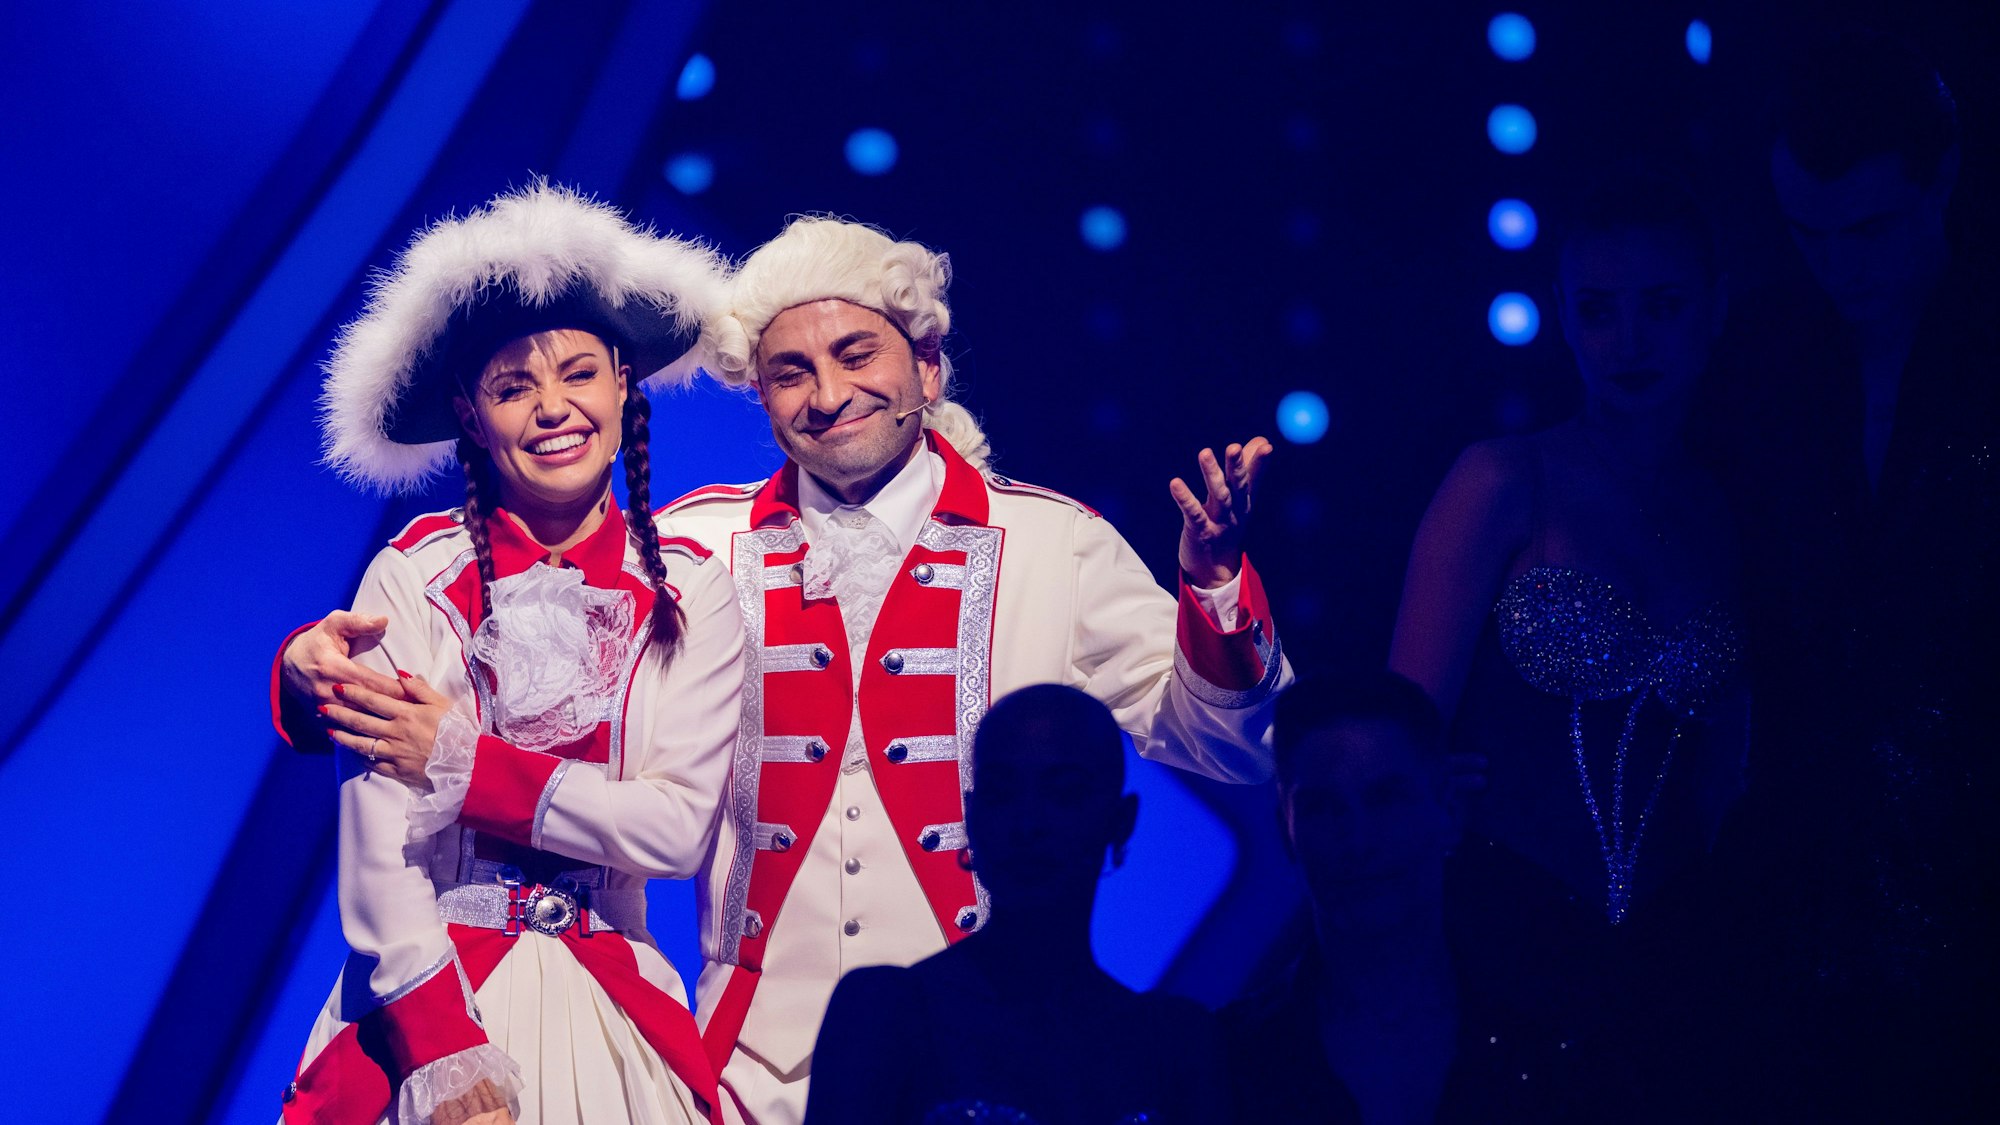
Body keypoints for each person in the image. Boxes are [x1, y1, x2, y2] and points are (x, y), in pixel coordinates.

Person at [284, 214, 1292, 1124]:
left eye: (855, 355)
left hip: (981, 1056)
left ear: (928, 367)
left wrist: (1211, 589)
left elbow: (1233, 748)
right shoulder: (692, 548)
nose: (827, 395)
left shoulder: (1049, 544)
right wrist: (301, 670)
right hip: (746, 1072)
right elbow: (533, 572)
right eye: (789, 371)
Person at [278, 182, 743, 1125]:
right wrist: (444, 1055)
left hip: (618, 1010)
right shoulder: (413, 576)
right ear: (469, 414)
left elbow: (673, 830)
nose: (553, 409)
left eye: (578, 374)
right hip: (433, 996)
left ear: (622, 382)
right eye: (512, 386)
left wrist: (465, 761)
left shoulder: (693, 589)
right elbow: (379, 850)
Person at [1704, 29, 1999, 1120]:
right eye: (1807, 234)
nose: (1841, 266)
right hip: (1795, 908)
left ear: (1947, 174)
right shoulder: (1764, 364)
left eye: (1870, 227)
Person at [1387, 178, 1747, 1040]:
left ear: (1713, 307)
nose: (1628, 342)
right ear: (1561, 313)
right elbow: (1394, 737)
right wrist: (1435, 784)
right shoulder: (1502, 479)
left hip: (1686, 943)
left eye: (1661, 306)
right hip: (1505, 927)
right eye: (1597, 310)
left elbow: (1730, 768)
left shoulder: (1727, 510)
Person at [805, 684, 1227, 1125]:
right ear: (972, 815)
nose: (1028, 824)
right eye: (1002, 792)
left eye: (1063, 793)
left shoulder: (1174, 1045)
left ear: (1120, 822)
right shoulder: (884, 1015)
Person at [1223, 673, 1601, 1124]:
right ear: (1286, 829)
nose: (1358, 840)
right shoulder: (1231, 1057)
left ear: (1448, 810)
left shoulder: (1558, 1030)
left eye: (1386, 799)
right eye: (1323, 807)